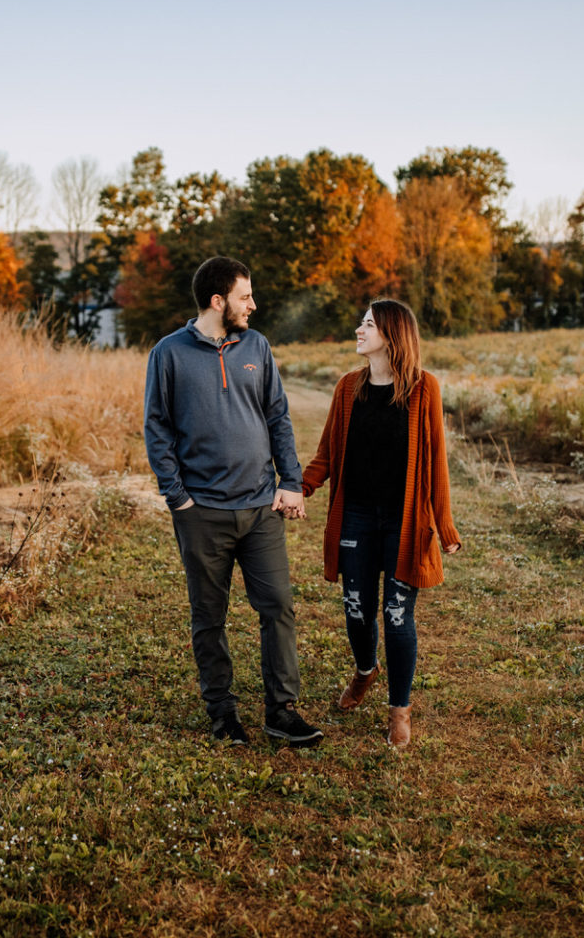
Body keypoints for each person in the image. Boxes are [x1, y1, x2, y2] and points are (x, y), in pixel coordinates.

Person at [144, 256, 323, 748]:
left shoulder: (257, 346)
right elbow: (156, 427)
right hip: (202, 512)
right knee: (209, 614)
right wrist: (177, 496)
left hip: (261, 506)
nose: (253, 304)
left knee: (279, 607)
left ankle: (281, 711)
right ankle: (222, 713)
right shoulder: (169, 354)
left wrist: (290, 479)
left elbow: (278, 416)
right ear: (218, 301)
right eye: (246, 296)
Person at [302, 298, 462, 747]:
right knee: (356, 610)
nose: (358, 329)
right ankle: (365, 671)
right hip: (355, 516)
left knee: (396, 616)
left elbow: (436, 464)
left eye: (367, 324)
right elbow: (327, 455)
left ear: (391, 335)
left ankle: (399, 710)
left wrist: (444, 527)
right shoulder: (347, 387)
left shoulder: (423, 389)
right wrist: (301, 487)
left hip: (403, 521)